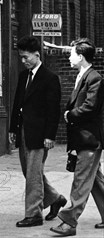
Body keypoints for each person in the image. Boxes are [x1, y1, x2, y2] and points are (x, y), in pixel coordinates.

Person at [9, 35, 65, 228]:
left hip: (40, 134)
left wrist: (50, 135)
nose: (23, 61)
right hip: (24, 130)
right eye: (21, 57)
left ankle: (33, 213)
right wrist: (13, 128)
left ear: (36, 54)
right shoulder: (24, 76)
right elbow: (17, 102)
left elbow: (53, 110)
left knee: (33, 173)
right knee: (29, 171)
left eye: (26, 57)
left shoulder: (50, 79)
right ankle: (56, 199)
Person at [50, 38, 104, 237]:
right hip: (83, 139)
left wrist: (69, 115)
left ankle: (69, 221)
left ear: (80, 57)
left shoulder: (94, 78)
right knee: (95, 181)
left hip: (89, 139)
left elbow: (90, 107)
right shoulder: (83, 75)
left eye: (72, 54)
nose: (69, 57)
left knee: (81, 181)